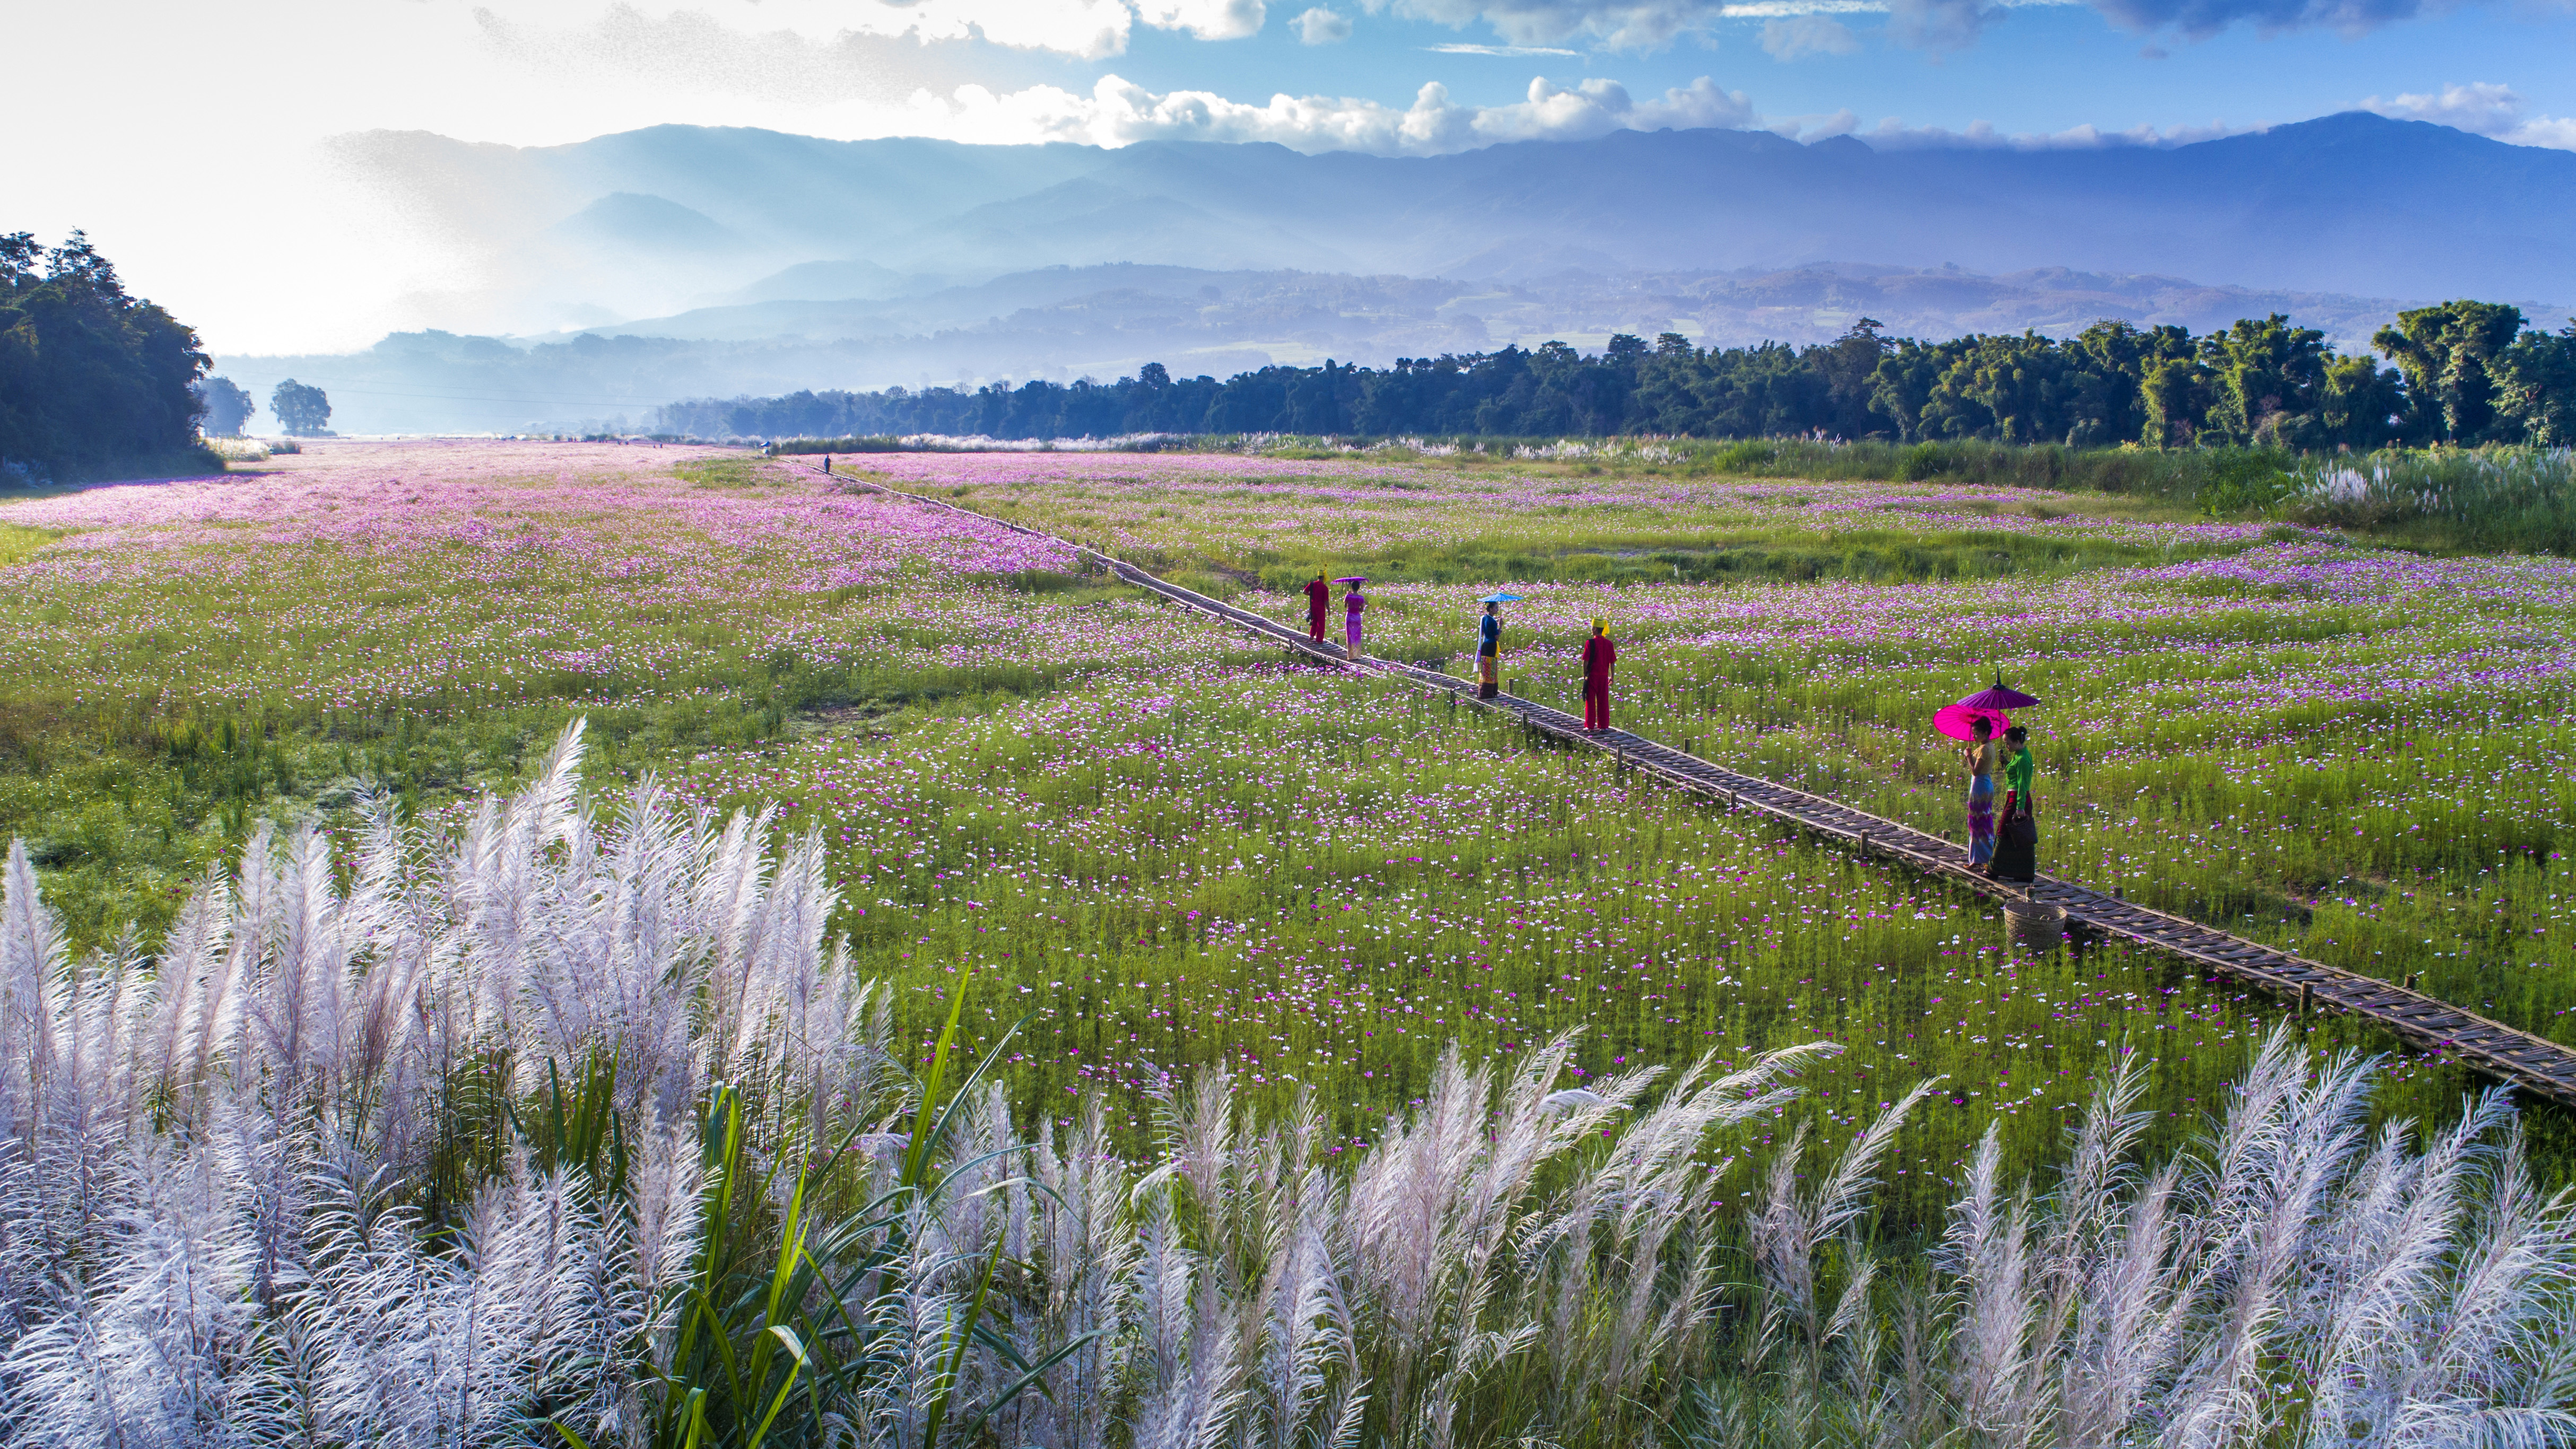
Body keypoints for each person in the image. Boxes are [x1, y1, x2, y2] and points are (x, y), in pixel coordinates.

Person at [1994, 725, 2038, 883]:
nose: (2006, 746)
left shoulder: (2024, 758)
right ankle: (2020, 873)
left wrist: (2020, 808)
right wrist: (2006, 762)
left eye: (2008, 743)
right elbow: (2014, 773)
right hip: (2012, 798)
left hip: (2018, 800)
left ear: (2017, 741)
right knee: (2014, 836)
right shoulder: (2019, 755)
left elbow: (2022, 785)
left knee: (2004, 831)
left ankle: (1994, 869)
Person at [1963, 716, 1997, 874]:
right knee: (1983, 821)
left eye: (1976, 733)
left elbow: (1975, 771)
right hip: (1985, 784)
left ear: (1985, 732)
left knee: (1977, 823)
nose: (1974, 736)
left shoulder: (1984, 749)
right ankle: (1981, 858)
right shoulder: (1990, 746)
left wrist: (1968, 757)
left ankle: (1979, 859)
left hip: (1980, 785)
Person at [1580, 618, 1615, 730]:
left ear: (1595, 629)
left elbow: (1585, 661)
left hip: (1592, 677)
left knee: (1590, 701)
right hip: (1604, 677)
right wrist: (1612, 677)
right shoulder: (1609, 644)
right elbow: (1612, 662)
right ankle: (1603, 726)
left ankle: (1590, 726)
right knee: (1603, 702)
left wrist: (1585, 674)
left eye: (1591, 627)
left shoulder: (1590, 643)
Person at [1476, 600, 1502, 699]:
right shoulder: (1493, 621)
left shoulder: (1485, 618)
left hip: (1485, 645)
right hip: (1491, 646)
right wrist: (1501, 626)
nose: (1498, 610)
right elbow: (1496, 637)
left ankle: (1483, 691)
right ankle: (1490, 693)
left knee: (1485, 669)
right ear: (1491, 609)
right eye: (1496, 608)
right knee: (1491, 669)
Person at [1302, 573, 1331, 645]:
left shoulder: (1312, 584)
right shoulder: (1325, 588)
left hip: (1313, 607)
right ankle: (1319, 640)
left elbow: (1304, 592)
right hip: (1320, 608)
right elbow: (1326, 601)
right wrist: (1329, 610)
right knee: (1321, 625)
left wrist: (1311, 594)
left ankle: (1311, 636)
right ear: (1324, 578)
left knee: (1314, 621)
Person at [1343, 579, 1366, 661]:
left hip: (1349, 617)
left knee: (1350, 636)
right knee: (1357, 636)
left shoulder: (1348, 596)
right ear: (1359, 588)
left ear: (1352, 587)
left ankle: (1351, 656)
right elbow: (1362, 610)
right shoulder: (1361, 598)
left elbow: (1345, 606)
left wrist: (1347, 595)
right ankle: (1357, 655)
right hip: (1357, 617)